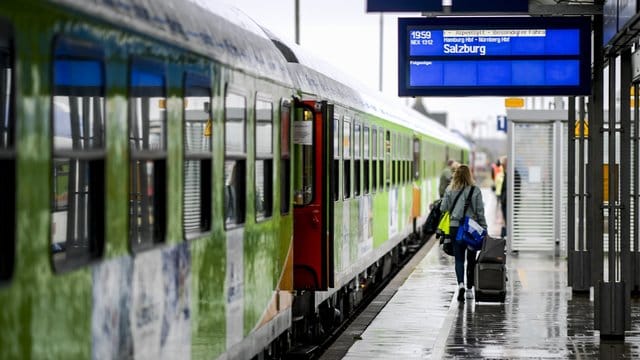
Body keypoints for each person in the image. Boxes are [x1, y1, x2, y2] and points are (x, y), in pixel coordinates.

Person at [440, 164, 487, 302]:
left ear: (455, 175)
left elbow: (444, 208)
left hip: (455, 228)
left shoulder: (450, 189)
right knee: (471, 259)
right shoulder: (476, 190)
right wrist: (484, 228)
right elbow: (480, 212)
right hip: (471, 230)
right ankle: (469, 289)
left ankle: (460, 284)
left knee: (459, 259)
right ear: (469, 175)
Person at [499, 156, 520, 238]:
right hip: (505, 202)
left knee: (511, 222)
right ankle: (511, 239)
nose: (502, 166)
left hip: (510, 203)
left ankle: (514, 239)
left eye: (503, 164)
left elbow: (512, 189)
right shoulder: (507, 173)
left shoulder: (513, 174)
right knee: (508, 222)